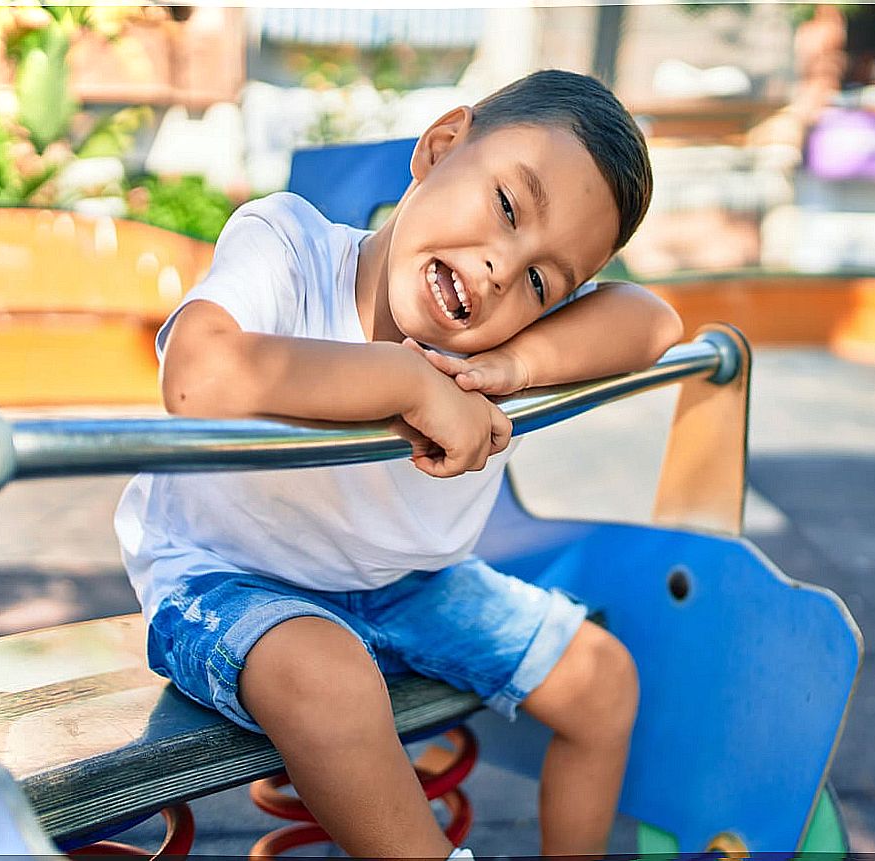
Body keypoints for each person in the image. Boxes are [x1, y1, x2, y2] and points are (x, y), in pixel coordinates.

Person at [114, 69, 682, 859]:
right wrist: (408, 381)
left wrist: (518, 366)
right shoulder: (289, 246)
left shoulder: (491, 355)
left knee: (603, 681)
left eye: (541, 281)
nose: (498, 270)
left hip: (405, 582)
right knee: (331, 680)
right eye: (509, 207)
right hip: (225, 573)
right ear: (442, 146)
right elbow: (198, 377)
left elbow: (655, 319)